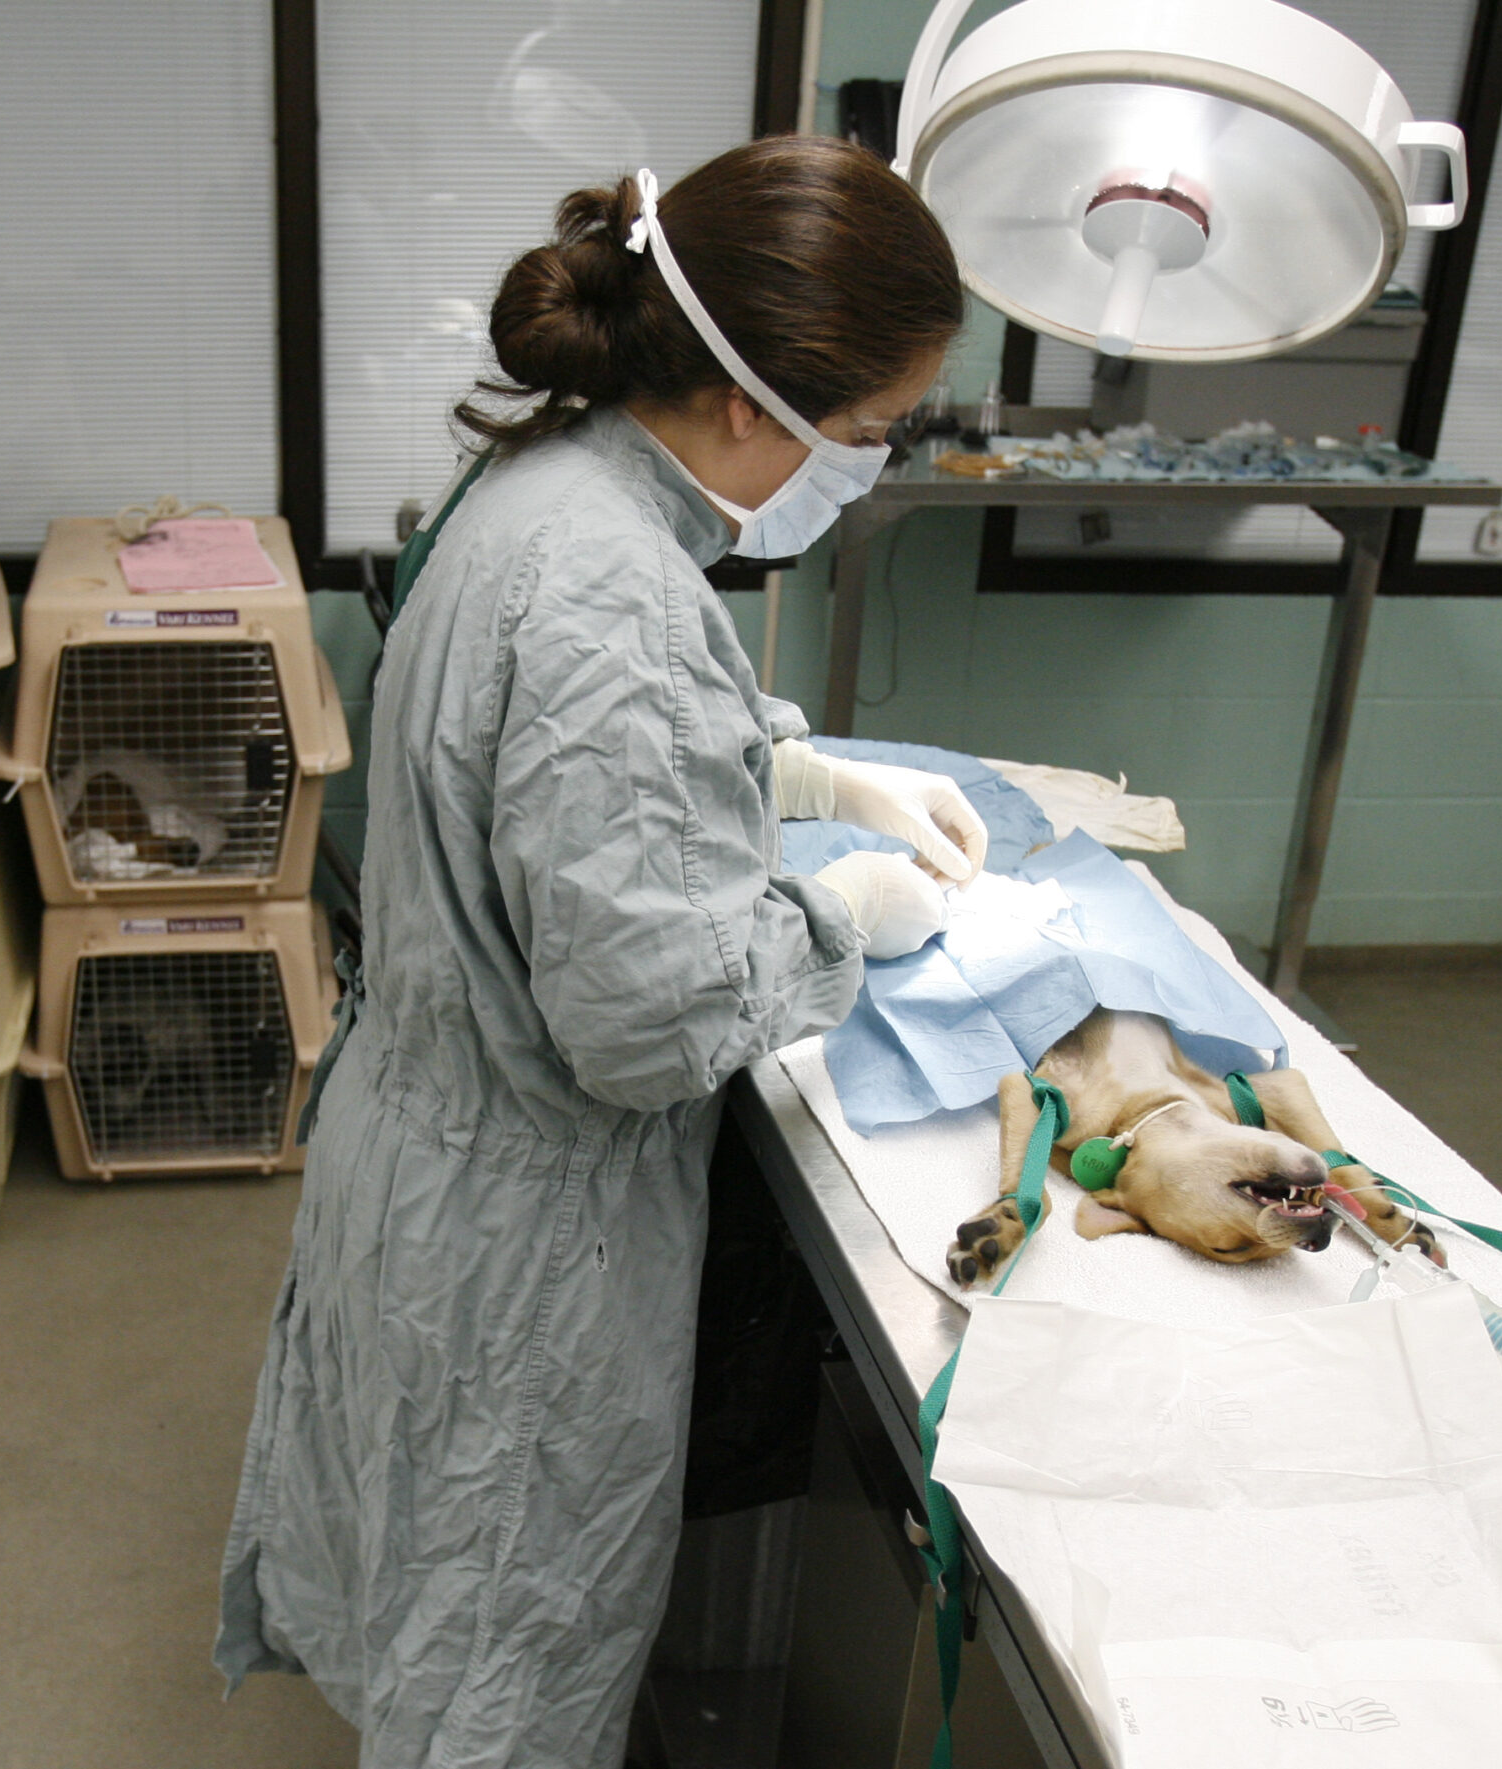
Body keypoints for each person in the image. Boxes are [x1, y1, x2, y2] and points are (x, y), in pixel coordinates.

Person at [217, 138, 985, 1769]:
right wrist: (846, 917)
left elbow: (549, 755)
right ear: (745, 405)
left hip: (424, 1160)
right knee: (504, 1649)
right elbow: (648, 1017)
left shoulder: (551, 481)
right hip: (523, 1240)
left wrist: (803, 770)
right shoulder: (611, 594)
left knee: (441, 1597)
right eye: (863, 435)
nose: (869, 464)